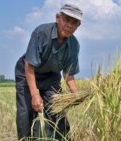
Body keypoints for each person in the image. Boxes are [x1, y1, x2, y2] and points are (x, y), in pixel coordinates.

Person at [14, 3, 83, 140]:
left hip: (51, 76)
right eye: (67, 20)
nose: (69, 25)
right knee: (25, 114)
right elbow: (29, 65)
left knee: (57, 111)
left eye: (74, 23)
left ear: (78, 26)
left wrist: (76, 94)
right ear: (58, 18)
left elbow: (68, 74)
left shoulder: (74, 45)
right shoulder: (41, 33)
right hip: (27, 73)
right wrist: (35, 95)